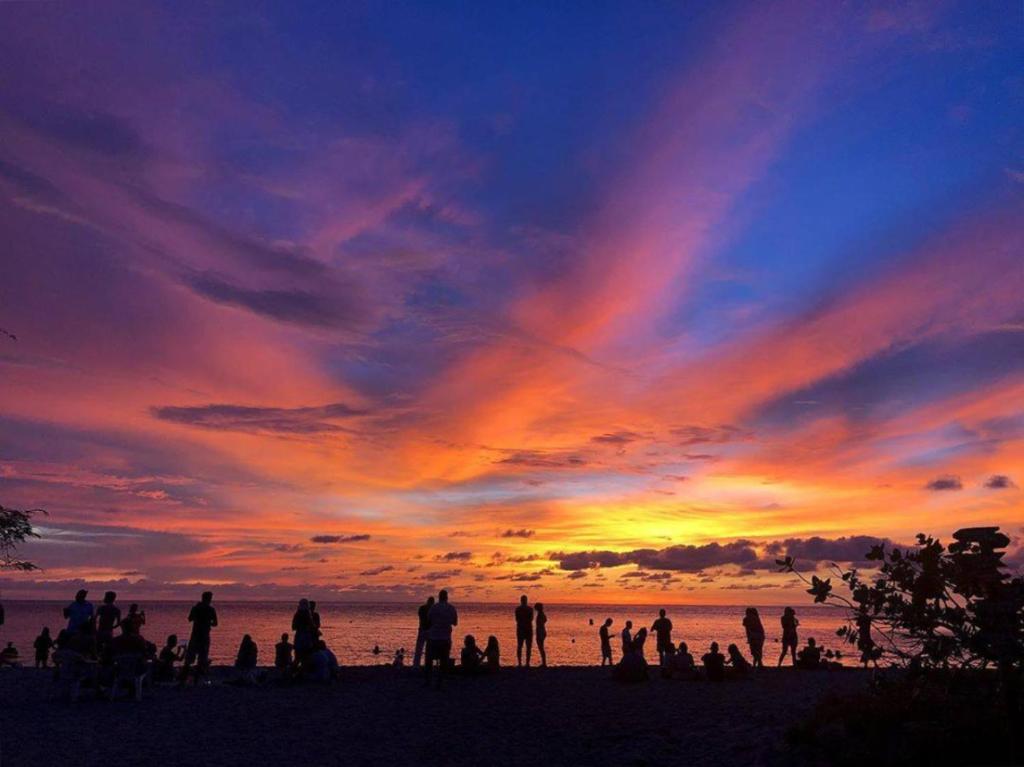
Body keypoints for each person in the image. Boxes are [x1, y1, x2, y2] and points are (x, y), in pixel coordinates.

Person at [181, 591, 218, 683]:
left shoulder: (196, 608)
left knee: (189, 659)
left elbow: (190, 618)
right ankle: (196, 680)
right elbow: (215, 623)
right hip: (203, 636)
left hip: (195, 635)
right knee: (201, 658)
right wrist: (208, 623)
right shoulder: (211, 610)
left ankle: (183, 679)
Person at [424, 589, 458, 689]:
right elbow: (455, 623)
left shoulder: (434, 607)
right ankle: (440, 682)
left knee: (429, 660)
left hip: (433, 637)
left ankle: (428, 681)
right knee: (444, 661)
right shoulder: (451, 608)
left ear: (439, 597)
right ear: (447, 597)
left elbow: (428, 619)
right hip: (445, 638)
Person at [292, 598, 316, 663]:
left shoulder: (296, 615)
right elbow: (312, 625)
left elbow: (293, 627)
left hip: (299, 635)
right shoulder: (307, 614)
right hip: (305, 636)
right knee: (306, 654)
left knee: (297, 656)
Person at [414, 596, 435, 667]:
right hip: (428, 630)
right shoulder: (432, 610)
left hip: (422, 630)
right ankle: (426, 664)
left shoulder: (422, 608)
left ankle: (416, 665)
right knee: (428, 650)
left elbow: (420, 617)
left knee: (419, 649)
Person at [514, 595, 534, 667]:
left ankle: (519, 663)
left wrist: (522, 622)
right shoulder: (530, 609)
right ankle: (527, 663)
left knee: (520, 646)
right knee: (528, 646)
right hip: (528, 628)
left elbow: (517, 619)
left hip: (520, 628)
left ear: (521, 600)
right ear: (526, 600)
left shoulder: (518, 609)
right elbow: (531, 619)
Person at [535, 602, 548, 668]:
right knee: (541, 647)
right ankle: (544, 662)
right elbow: (545, 620)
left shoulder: (540, 614)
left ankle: (544, 663)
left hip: (540, 632)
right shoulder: (542, 614)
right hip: (542, 631)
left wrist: (539, 633)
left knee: (541, 647)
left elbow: (540, 624)